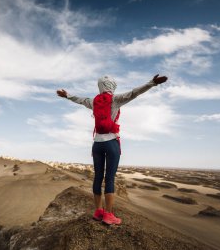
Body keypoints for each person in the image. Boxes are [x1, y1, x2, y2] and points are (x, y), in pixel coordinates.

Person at [56, 74, 168, 225]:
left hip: (97, 144)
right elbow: (135, 92)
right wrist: (152, 83)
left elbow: (79, 99)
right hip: (111, 143)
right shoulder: (115, 99)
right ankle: (108, 215)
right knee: (109, 178)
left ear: (100, 86)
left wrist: (67, 95)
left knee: (97, 177)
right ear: (113, 86)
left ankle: (98, 211)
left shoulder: (93, 101)